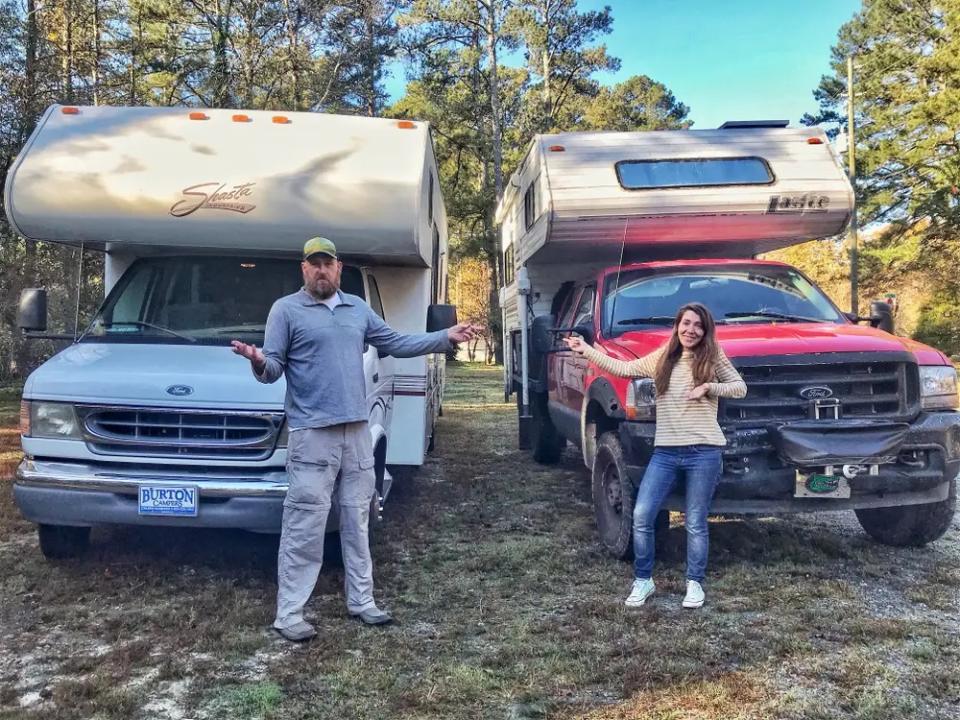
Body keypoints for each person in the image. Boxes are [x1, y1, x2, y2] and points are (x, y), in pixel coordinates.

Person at [232, 236, 478, 642]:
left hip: (357, 432)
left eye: (327, 263)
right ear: (304, 270)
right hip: (312, 435)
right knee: (304, 525)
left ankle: (362, 601)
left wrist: (445, 337)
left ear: (339, 268)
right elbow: (273, 367)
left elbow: (396, 343)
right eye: (314, 264)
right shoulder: (286, 311)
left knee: (358, 517)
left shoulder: (357, 309)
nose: (321, 270)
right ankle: (290, 613)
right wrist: (258, 361)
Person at [564, 302, 746, 609]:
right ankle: (644, 580)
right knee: (642, 514)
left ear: (705, 331)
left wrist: (709, 388)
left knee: (696, 521)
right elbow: (623, 368)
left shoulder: (712, 356)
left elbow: (740, 387)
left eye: (698, 325)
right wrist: (586, 350)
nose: (691, 330)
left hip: (704, 451)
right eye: (686, 323)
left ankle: (695, 584)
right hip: (666, 452)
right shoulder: (663, 357)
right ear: (677, 326)